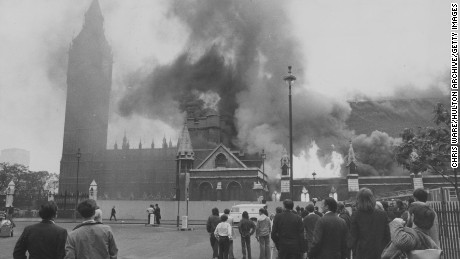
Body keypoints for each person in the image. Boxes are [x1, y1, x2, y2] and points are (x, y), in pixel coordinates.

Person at [349, 188, 390, 259]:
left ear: (359, 200)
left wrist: (354, 252)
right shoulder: (383, 214)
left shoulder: (356, 215)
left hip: (362, 254)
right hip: (380, 253)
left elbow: (353, 238)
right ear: (372, 199)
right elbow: (387, 236)